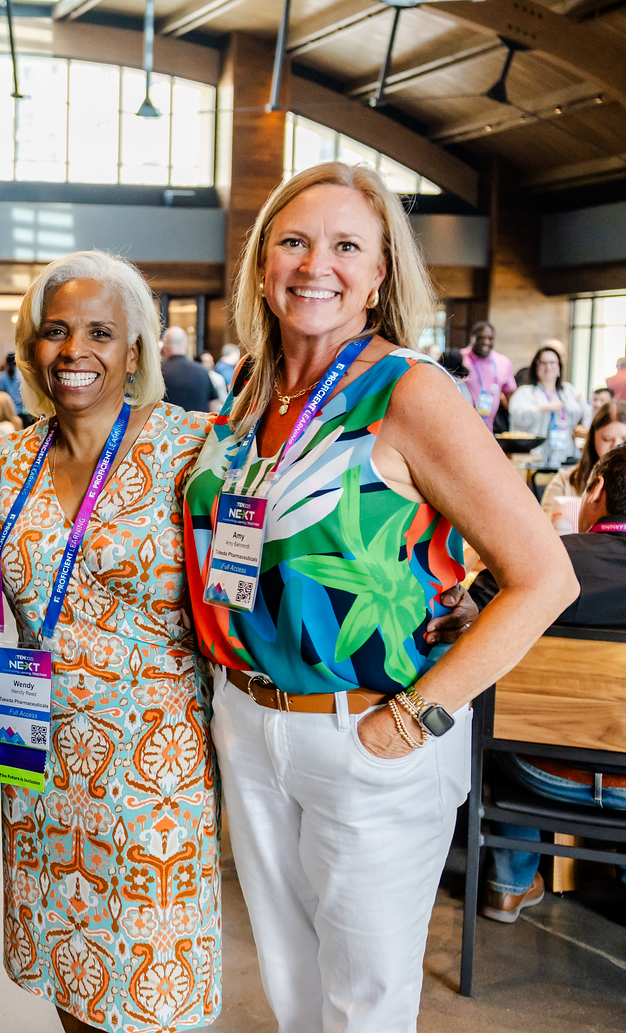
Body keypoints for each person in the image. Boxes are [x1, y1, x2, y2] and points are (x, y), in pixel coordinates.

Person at [181, 161, 576, 1032]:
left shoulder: (409, 390)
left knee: (364, 1004)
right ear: (261, 262)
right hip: (250, 720)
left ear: (380, 271)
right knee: (290, 985)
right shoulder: (250, 390)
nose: (315, 264)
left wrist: (416, 717)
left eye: (346, 246)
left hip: (369, 729)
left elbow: (547, 575)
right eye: (293, 241)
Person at [0, 250, 222, 1032]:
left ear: (134, 351)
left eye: (99, 332)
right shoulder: (11, 459)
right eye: (56, 330)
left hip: (152, 767)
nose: (74, 349)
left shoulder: (193, 450)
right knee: (75, 979)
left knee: (149, 990)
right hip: (40, 759)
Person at [469, 443, 626, 921]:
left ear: (595, 490)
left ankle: (509, 883)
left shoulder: (541, 563)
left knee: (496, 724)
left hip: (538, 770)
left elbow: (472, 618)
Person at [540, 400, 626, 534]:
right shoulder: (565, 480)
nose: (616, 446)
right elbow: (542, 528)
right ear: (593, 439)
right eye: (607, 439)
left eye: (624, 441)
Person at [509, 345, 589, 466]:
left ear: (559, 367)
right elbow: (517, 417)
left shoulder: (568, 390)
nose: (548, 367)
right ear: (536, 366)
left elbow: (584, 416)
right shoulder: (525, 392)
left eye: (552, 363)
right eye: (543, 363)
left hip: (566, 455)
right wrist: (543, 409)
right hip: (535, 458)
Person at [463, 321, 516, 431]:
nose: (485, 342)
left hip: (489, 427)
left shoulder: (503, 362)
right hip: (462, 424)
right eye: (481, 338)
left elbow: (510, 394)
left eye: (490, 338)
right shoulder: (461, 359)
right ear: (472, 338)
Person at [159, 325, 212, 412]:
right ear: (185, 344)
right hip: (197, 420)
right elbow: (213, 405)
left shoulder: (159, 372)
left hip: (166, 420)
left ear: (165, 346)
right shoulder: (202, 371)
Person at [0, 350, 27, 421]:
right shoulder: (22, 375)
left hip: (9, 412)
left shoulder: (1, 376)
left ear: (6, 363)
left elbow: (0, 396)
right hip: (23, 411)